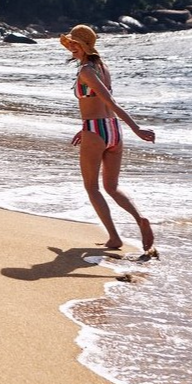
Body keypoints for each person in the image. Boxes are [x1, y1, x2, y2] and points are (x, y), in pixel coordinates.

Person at [60, 24, 157, 255]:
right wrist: (85, 129)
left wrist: (136, 129)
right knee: (111, 187)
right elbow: (101, 106)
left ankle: (114, 237)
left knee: (92, 188)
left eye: (75, 43)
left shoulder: (86, 71)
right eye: (70, 43)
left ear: (85, 46)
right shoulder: (102, 67)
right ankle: (139, 218)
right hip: (111, 129)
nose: (71, 47)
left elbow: (110, 102)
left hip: (96, 130)